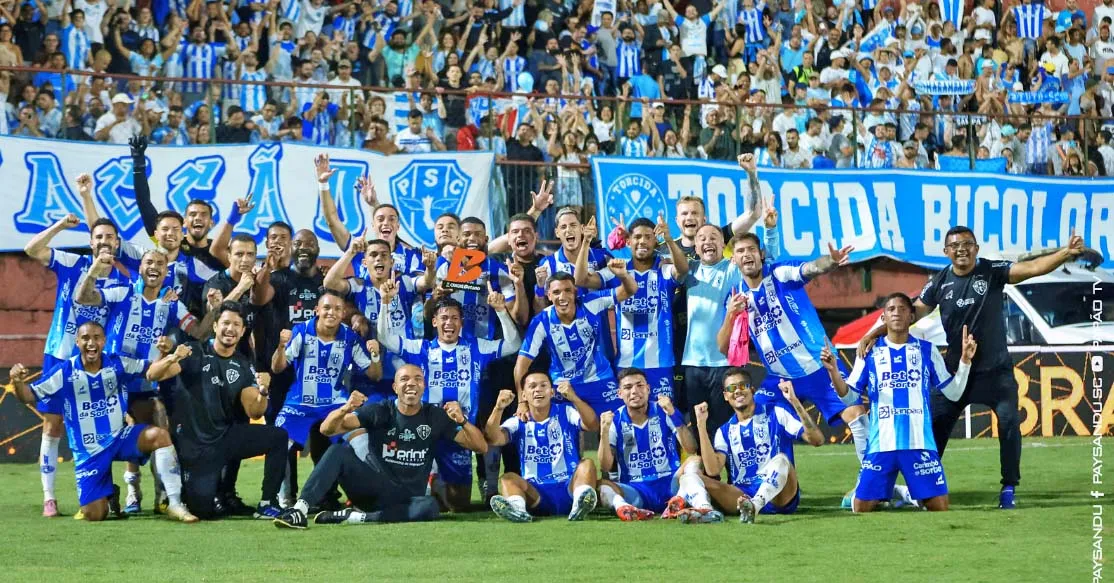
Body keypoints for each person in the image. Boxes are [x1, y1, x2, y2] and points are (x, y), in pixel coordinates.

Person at [859, 226, 1086, 509]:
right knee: (934, 429)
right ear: (946, 252)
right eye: (955, 245)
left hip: (996, 372)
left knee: (1009, 423)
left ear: (976, 248)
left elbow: (1033, 268)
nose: (961, 249)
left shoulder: (992, 272)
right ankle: (917, 489)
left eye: (967, 244)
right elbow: (907, 314)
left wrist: (1065, 253)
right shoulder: (940, 282)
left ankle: (1008, 487)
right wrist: (872, 334)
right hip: (957, 372)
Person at [718, 230, 872, 508]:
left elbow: (810, 269)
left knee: (857, 416)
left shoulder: (778, 273)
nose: (747, 255)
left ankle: (869, 486)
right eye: (740, 252)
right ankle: (771, 489)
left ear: (761, 254)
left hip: (818, 367)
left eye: (751, 249)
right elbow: (723, 347)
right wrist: (731, 314)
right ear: (735, 260)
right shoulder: (736, 295)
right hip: (778, 378)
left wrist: (831, 261)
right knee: (757, 418)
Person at [73, 247, 217, 514]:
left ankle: (164, 497)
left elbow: (198, 332)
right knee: (106, 434)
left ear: (166, 272)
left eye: (160, 264)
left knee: (157, 423)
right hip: (111, 379)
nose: (154, 267)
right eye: (149, 262)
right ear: (140, 268)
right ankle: (123, 491)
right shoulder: (123, 291)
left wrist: (216, 308)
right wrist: (94, 269)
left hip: (145, 377)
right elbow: (84, 298)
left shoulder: (171, 304)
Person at [9, 322, 197, 523]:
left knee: (159, 435)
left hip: (119, 437)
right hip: (89, 452)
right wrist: (17, 382)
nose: (91, 343)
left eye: (96, 337)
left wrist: (172, 357)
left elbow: (151, 371)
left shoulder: (117, 363)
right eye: (86, 338)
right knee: (95, 514)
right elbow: (28, 396)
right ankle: (109, 494)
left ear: (104, 341)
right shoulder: (64, 372)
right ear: (77, 341)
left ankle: (175, 503)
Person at [273, 365, 489, 528]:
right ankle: (299, 510)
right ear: (395, 387)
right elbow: (327, 430)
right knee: (338, 451)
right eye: (404, 379)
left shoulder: (436, 416)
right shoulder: (381, 410)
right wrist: (345, 408)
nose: (411, 383)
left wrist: (462, 421)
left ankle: (356, 518)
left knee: (430, 506)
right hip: (372, 487)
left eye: (417, 379)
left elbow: (481, 447)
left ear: (424, 386)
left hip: (406, 498)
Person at [22, 211, 133, 517]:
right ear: (90, 242)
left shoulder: (123, 282)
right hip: (61, 355)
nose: (104, 241)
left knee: (104, 429)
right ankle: (49, 497)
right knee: (52, 424)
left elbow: (88, 300)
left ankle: (106, 492)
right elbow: (32, 250)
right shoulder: (73, 263)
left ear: (118, 243)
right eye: (98, 237)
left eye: (109, 236)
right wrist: (59, 225)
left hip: (97, 364)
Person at [826, 293, 977, 513]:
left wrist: (965, 362)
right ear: (884, 318)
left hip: (919, 444)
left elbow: (953, 393)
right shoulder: (869, 352)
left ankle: (908, 493)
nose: (896, 312)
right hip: (881, 444)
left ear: (912, 316)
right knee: (860, 507)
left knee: (939, 507)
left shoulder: (927, 351)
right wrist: (833, 373)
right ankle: (899, 492)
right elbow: (849, 397)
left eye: (902, 309)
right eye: (891, 309)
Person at [376, 291, 521, 511]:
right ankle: (428, 480)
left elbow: (513, 344)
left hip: (460, 432)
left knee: (459, 505)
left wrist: (501, 311)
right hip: (426, 430)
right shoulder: (421, 348)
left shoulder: (476, 347)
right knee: (418, 496)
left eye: (454, 318)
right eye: (444, 318)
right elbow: (385, 338)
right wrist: (385, 303)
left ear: (461, 322)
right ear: (434, 322)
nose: (449, 323)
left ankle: (435, 486)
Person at [145, 302, 289, 520]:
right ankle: (182, 488)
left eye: (236, 325)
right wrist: (173, 356)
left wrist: (263, 392)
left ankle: (267, 503)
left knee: (278, 436)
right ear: (215, 326)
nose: (230, 329)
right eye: (226, 323)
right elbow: (153, 375)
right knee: (202, 510)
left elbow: (255, 412)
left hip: (224, 439)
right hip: (196, 446)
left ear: (242, 332)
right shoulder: (194, 352)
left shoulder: (242, 364)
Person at [272, 290, 382, 504]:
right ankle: (283, 499)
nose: (332, 312)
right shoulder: (301, 331)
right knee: (280, 441)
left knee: (361, 440)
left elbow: (374, 374)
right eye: (327, 308)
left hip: (335, 404)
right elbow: (277, 368)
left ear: (343, 314)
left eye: (337, 309)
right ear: (317, 311)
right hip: (299, 402)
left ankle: (367, 497)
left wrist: (376, 355)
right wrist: (281, 346)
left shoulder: (350, 337)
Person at [575, 213, 688, 399]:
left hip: (661, 363)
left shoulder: (663, 269)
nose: (642, 241)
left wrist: (668, 239)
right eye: (637, 237)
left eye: (648, 237)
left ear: (655, 240)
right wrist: (586, 241)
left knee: (663, 417)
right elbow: (581, 279)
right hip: (626, 363)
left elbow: (683, 269)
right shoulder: (617, 270)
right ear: (628, 242)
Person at [693, 368, 824, 523]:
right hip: (742, 496)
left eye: (743, 386)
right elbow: (713, 470)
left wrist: (794, 402)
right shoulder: (724, 431)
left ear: (752, 390)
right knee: (691, 477)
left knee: (782, 459)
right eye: (731, 388)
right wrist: (701, 424)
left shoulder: (777, 413)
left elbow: (817, 440)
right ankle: (706, 511)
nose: (738, 391)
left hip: (779, 496)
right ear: (726, 396)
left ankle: (755, 505)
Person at [596, 369, 723, 523]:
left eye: (639, 385)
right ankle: (625, 509)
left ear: (648, 389)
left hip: (670, 484)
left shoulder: (663, 411)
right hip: (636, 489)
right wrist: (603, 432)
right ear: (619, 393)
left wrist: (673, 415)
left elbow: (690, 448)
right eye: (628, 388)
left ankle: (702, 507)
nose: (635, 391)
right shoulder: (614, 420)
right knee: (602, 485)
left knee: (695, 461)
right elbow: (605, 466)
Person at [515, 271, 636, 415]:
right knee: (566, 432)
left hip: (600, 379)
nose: (562, 297)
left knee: (616, 424)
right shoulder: (541, 321)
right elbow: (521, 365)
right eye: (556, 292)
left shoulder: (591, 303)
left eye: (567, 290)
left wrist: (623, 275)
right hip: (563, 384)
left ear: (575, 292)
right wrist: (522, 402)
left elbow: (630, 290)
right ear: (549, 296)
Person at [484, 373, 600, 522]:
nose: (538, 390)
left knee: (587, 464)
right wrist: (498, 408)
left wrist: (574, 398)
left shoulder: (566, 411)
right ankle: (518, 511)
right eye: (532, 386)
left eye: (543, 386)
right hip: (537, 494)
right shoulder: (519, 420)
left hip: (569, 486)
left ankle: (579, 506)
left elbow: (592, 425)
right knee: (508, 478)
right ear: (524, 395)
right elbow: (493, 439)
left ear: (552, 392)